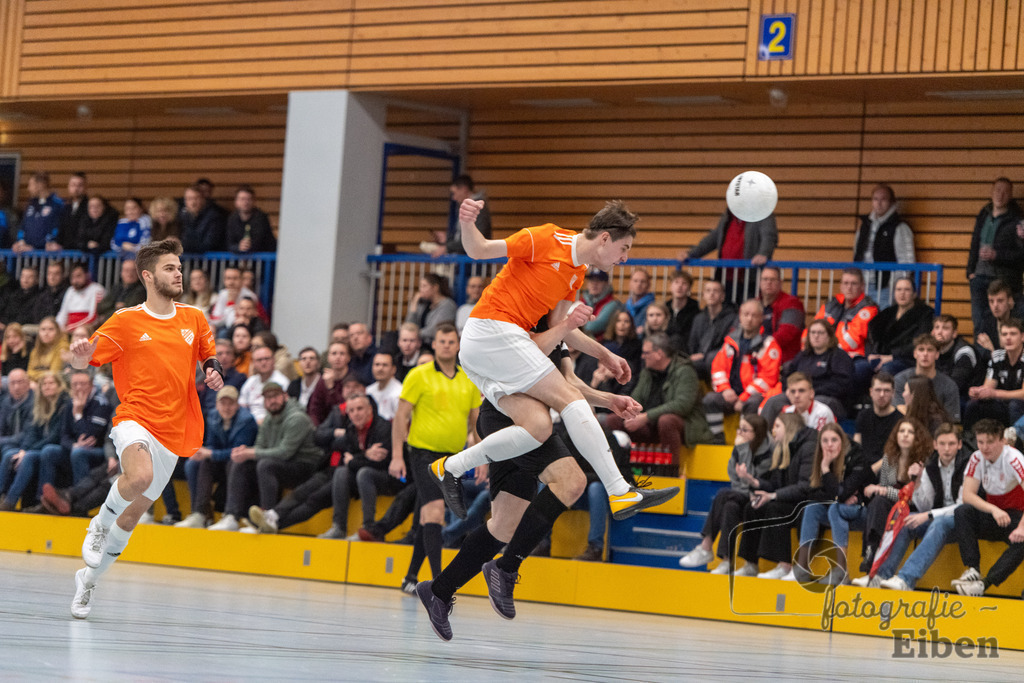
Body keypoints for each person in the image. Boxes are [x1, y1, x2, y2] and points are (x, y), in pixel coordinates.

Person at [431, 198, 678, 520]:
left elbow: (560, 329)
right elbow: (478, 249)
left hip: (493, 349)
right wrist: (466, 222)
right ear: (605, 238)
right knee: (571, 399)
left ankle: (450, 467)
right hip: (493, 330)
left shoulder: (577, 273)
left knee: (537, 427)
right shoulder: (547, 238)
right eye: (624, 248)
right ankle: (619, 491)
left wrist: (606, 355)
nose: (625, 258)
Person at [415, 321, 642, 640]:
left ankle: (438, 591)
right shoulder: (528, 324)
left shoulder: (558, 338)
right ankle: (506, 567)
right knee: (572, 482)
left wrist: (609, 400)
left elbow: (570, 384)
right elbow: (543, 350)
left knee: (503, 526)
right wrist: (584, 337)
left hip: (522, 425)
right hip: (515, 421)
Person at [67, 237, 223, 619]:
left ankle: (88, 581)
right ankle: (98, 524)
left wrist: (213, 370)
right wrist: (81, 358)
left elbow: (208, 351)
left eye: (180, 268)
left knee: (133, 516)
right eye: (171, 268)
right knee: (138, 476)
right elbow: (84, 360)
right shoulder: (125, 320)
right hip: (135, 417)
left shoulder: (194, 318)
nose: (178, 274)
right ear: (148, 276)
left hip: (174, 428)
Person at [389, 324, 481, 589]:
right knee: (435, 511)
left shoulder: (469, 379)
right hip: (423, 453)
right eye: (442, 341)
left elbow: (475, 424)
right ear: (435, 344)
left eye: (452, 341)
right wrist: (397, 455)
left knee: (426, 513)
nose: (447, 346)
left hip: (453, 457)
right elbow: (400, 417)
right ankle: (440, 582)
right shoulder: (419, 375)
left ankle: (410, 577)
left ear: (458, 345)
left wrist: (483, 458)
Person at [250, 393, 395, 540]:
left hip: (366, 479)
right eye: (351, 411)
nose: (356, 414)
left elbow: (375, 462)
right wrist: (363, 455)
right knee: (304, 489)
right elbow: (324, 440)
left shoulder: (382, 428)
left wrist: (356, 459)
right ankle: (273, 516)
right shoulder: (351, 429)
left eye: (360, 409)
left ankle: (270, 526)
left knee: (316, 498)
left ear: (370, 409)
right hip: (339, 473)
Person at [859, 424, 970, 590]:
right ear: (935, 444)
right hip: (937, 518)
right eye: (942, 444)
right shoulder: (930, 465)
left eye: (951, 444)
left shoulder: (967, 464)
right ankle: (881, 575)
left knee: (939, 522)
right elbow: (925, 504)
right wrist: (917, 482)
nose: (946, 449)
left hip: (962, 520)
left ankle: (906, 579)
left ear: (959, 445)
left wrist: (928, 515)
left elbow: (963, 504)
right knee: (907, 522)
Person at [208, 381, 321, 532]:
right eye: (268, 398)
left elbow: (285, 452)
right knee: (242, 463)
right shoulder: (269, 419)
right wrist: (246, 451)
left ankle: (266, 519)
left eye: (275, 396)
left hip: (305, 466)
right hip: (282, 464)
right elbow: (260, 446)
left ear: (285, 396)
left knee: (265, 465)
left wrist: (251, 452)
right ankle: (231, 516)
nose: (272, 401)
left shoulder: (297, 418)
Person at [679, 414, 771, 572]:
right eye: (739, 429)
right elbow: (735, 479)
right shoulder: (742, 448)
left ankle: (706, 547)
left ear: (756, 434)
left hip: (764, 497)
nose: (739, 433)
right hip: (742, 496)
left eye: (744, 430)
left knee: (723, 494)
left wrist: (742, 450)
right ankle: (727, 562)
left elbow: (756, 482)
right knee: (730, 506)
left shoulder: (768, 452)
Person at [604, 332, 713, 460]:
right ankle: (623, 468)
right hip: (651, 424)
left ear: (659, 354)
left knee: (666, 421)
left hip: (686, 426)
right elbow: (636, 398)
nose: (643, 356)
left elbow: (682, 405)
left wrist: (647, 417)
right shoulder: (646, 372)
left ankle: (671, 472)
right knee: (613, 419)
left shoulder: (685, 371)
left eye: (646, 353)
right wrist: (630, 413)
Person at [733, 413, 816, 579]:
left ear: (789, 428)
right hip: (787, 499)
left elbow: (804, 487)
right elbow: (775, 485)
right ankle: (750, 564)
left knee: (774, 507)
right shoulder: (781, 449)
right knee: (754, 506)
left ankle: (784, 564)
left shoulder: (808, 448)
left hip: (806, 503)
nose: (773, 430)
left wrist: (773, 495)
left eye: (777, 426)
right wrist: (753, 481)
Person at [949, 419, 1024, 597]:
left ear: (1002, 440)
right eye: (980, 442)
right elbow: (967, 495)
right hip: (996, 515)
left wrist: (1022, 527)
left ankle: (985, 584)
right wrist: (993, 509)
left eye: (990, 442)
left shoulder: (1014, 459)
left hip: (1017, 517)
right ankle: (973, 569)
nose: (984, 447)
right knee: (962, 512)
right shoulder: (976, 458)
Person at [175, 385, 258, 528]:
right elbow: (212, 444)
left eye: (231, 404)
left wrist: (211, 453)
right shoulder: (213, 416)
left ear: (237, 405)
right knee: (201, 461)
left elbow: (238, 453)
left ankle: (231, 516)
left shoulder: (247, 420)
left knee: (234, 462)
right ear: (217, 404)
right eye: (223, 403)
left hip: (244, 464)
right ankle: (200, 513)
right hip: (223, 462)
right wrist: (202, 452)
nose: (226, 408)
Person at [703, 299, 781, 442]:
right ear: (740, 316)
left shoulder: (768, 343)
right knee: (709, 399)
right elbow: (718, 369)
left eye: (754, 315)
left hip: (753, 395)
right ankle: (717, 438)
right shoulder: (730, 341)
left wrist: (744, 397)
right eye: (746, 314)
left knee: (753, 403)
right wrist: (725, 389)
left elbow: (768, 378)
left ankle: (745, 439)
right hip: (731, 394)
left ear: (761, 319)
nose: (749, 319)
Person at [793, 423, 862, 584]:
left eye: (834, 440)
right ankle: (801, 567)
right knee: (812, 508)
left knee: (834, 508)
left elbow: (841, 493)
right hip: (837, 508)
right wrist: (825, 467)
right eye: (825, 441)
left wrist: (838, 494)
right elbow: (814, 493)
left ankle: (841, 571)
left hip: (859, 510)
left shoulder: (855, 456)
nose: (829, 445)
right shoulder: (821, 460)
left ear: (843, 441)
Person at [760, 319, 852, 423]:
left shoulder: (839, 356)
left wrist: (811, 392)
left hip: (826, 397)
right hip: (799, 394)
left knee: (817, 404)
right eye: (813, 332)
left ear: (829, 336)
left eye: (820, 333)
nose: (816, 336)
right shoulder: (803, 355)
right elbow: (788, 375)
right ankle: (763, 437)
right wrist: (790, 390)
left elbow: (842, 385)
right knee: (773, 402)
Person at [0, 372, 68, 510]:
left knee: (30, 457)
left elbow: (54, 437)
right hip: (40, 448)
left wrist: (27, 452)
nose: (47, 387)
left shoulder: (65, 405)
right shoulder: (40, 405)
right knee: (10, 455)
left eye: (51, 383)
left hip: (59, 448)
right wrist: (23, 450)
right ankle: (2, 494)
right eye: (44, 384)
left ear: (59, 385)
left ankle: (12, 501)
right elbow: (32, 433)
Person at [682, 205, 777, 304]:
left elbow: (769, 236)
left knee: (748, 310)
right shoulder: (728, 216)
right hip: (725, 278)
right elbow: (713, 238)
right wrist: (691, 254)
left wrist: (763, 253)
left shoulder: (762, 214)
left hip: (749, 278)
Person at [966, 178, 1023, 338]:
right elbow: (974, 243)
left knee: (1003, 324)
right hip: (979, 277)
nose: (1001, 194)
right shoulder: (983, 214)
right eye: (998, 190)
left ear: (1010, 195)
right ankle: (981, 358)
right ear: (991, 192)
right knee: (979, 322)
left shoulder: (1018, 220)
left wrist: (997, 255)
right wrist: (970, 271)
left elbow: (1021, 255)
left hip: (1002, 279)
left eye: (1005, 192)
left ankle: (1000, 358)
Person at [810, 267, 878, 391]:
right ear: (841, 285)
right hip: (826, 354)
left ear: (862, 286)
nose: (849, 287)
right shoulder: (831, 305)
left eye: (854, 283)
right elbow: (812, 330)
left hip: (854, 358)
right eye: (846, 283)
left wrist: (825, 349)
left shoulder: (868, 309)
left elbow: (852, 341)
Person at [853, 183, 916, 306]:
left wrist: (896, 286)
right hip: (863, 284)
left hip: (885, 286)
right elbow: (857, 252)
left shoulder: (899, 227)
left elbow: (907, 261)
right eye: (875, 199)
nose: (879, 203)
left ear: (892, 202)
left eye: (883, 199)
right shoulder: (865, 225)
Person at [53, 369, 112, 486]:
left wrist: (78, 414)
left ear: (91, 384)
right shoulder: (70, 403)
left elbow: (89, 437)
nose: (79, 388)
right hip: (76, 447)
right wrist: (73, 445)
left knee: (79, 453)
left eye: (83, 384)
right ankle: (44, 499)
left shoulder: (101, 403)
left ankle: (79, 500)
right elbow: (63, 435)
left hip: (100, 450)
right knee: (49, 451)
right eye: (75, 384)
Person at [964, 318, 1024, 430]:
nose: (1008, 338)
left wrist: (995, 393)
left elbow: (1023, 394)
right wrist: (979, 392)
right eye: (1004, 334)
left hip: (1019, 405)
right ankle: (969, 443)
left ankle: (1016, 444)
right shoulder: (997, 356)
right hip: (1003, 402)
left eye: (1013, 334)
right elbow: (988, 388)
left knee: (1014, 405)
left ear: (1022, 337)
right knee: (974, 404)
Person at [866, 277, 934, 375]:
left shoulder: (925, 314)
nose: (902, 293)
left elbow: (919, 342)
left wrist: (893, 356)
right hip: (883, 356)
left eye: (907, 290)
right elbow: (876, 337)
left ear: (914, 294)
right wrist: (874, 353)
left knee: (886, 370)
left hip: (908, 359)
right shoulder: (888, 313)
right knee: (860, 368)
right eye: (899, 289)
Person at [892, 334, 961, 423]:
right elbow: (898, 411)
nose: (925, 354)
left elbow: (952, 420)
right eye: (921, 349)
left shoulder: (949, 385)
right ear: (915, 354)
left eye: (930, 350)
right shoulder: (900, 380)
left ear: (937, 354)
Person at [429, 174, 491, 257]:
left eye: (454, 193)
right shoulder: (466, 208)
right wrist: (447, 239)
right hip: (467, 259)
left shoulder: (478, 208)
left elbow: (474, 239)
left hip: (473, 262)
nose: (454, 198)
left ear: (464, 189)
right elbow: (463, 236)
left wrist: (447, 247)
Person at [688, 279, 737, 382]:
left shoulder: (732, 318)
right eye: (708, 291)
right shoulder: (699, 318)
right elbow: (692, 344)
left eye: (715, 291)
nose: (711, 294)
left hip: (721, 359)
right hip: (700, 359)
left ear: (722, 296)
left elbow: (729, 344)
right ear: (704, 295)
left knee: (711, 358)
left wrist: (704, 355)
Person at [931, 313, 982, 404]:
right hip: (944, 393)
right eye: (937, 327)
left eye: (945, 328)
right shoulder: (931, 350)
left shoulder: (964, 352)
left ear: (954, 333)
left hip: (966, 397)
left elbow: (955, 386)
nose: (939, 332)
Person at [758, 266, 804, 363]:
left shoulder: (792, 304)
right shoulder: (754, 304)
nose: (768, 282)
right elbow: (739, 329)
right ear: (760, 282)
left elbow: (785, 335)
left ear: (780, 283)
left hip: (784, 360)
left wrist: (755, 344)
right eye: (765, 279)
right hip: (758, 356)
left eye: (772, 279)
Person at [853, 372, 902, 463]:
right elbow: (857, 446)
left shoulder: (900, 420)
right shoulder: (863, 415)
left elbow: (896, 454)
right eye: (878, 390)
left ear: (893, 393)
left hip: (889, 468)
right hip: (864, 466)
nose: (882, 395)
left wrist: (872, 470)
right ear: (871, 392)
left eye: (886, 390)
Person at [237, 345, 290, 424]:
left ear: (273, 360)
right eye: (259, 360)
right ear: (254, 363)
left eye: (267, 359)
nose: (263, 362)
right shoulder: (250, 381)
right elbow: (242, 408)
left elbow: (284, 412)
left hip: (272, 424)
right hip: (249, 424)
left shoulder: (283, 382)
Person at [14, 171, 63, 252]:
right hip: (26, 254)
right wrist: (20, 242)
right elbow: (22, 226)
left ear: (40, 184)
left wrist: (37, 247)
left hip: (46, 254)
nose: (28, 189)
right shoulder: (29, 205)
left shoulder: (57, 205)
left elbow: (57, 229)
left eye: (30, 185)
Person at [306, 341, 351, 426]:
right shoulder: (322, 380)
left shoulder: (352, 380)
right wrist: (316, 429)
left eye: (342, 354)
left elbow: (343, 410)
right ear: (328, 358)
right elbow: (314, 409)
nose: (338, 357)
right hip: (324, 428)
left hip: (345, 426)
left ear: (348, 358)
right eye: (334, 354)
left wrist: (331, 389)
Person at [405, 274, 457, 344]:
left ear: (435, 288)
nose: (421, 290)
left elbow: (434, 330)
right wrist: (414, 303)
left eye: (424, 286)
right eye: (420, 286)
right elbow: (409, 325)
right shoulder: (424, 304)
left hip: (434, 344)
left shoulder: (448, 305)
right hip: (419, 343)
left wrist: (412, 334)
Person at [55, 263, 106, 333]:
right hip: (68, 332)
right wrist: (57, 327)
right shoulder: (70, 290)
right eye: (72, 277)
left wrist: (70, 328)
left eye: (78, 276)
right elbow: (63, 313)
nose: (75, 281)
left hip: (87, 332)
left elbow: (94, 317)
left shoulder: (97, 289)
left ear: (87, 275)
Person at [226, 185, 276, 253]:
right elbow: (229, 242)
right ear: (236, 202)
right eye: (242, 199)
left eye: (249, 199)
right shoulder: (232, 218)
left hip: (263, 258)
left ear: (254, 201)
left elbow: (260, 241)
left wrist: (247, 246)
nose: (246, 202)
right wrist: (238, 247)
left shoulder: (261, 218)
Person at [179, 184, 226, 253]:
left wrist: (182, 245)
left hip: (209, 261)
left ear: (203, 199)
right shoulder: (181, 217)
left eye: (196, 198)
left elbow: (209, 244)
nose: (193, 203)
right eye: (189, 199)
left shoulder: (214, 218)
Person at [98, 258, 147, 324]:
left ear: (139, 273)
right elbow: (100, 307)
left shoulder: (141, 290)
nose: (130, 274)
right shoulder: (116, 287)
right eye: (126, 271)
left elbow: (129, 310)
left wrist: (106, 315)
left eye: (133, 271)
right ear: (121, 272)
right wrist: (116, 305)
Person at [209, 267, 257, 333]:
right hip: (223, 328)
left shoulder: (250, 296)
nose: (231, 282)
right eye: (228, 278)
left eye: (235, 278)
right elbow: (215, 319)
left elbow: (230, 323)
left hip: (245, 330)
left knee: (224, 333)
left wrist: (230, 303)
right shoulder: (223, 294)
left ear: (241, 280)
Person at [663, 270, 700, 354]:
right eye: (676, 282)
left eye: (684, 283)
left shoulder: (695, 310)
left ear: (689, 288)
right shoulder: (665, 308)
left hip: (686, 350)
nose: (679, 286)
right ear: (670, 286)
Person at [579, 269, 622, 342]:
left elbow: (593, 326)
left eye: (599, 281)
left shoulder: (612, 303)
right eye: (591, 280)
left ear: (606, 284)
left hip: (602, 343)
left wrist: (577, 324)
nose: (594, 284)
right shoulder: (583, 300)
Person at [975, 279, 1017, 353]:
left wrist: (993, 352)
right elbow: (979, 350)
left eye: (1000, 301)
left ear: (1010, 301)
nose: (995, 306)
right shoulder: (986, 320)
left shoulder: (1020, 321)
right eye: (991, 301)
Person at [27, 317, 68, 384]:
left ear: (58, 332)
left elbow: (54, 373)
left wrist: (35, 376)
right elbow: (29, 373)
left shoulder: (62, 348)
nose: (46, 333)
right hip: (36, 385)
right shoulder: (35, 350)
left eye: (51, 329)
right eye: (43, 329)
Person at [0, 369, 33, 451]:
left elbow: (27, 433)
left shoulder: (35, 403)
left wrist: (2, 441)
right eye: (12, 383)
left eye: (20, 382)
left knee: (7, 452)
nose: (16, 387)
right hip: (7, 442)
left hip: (27, 444)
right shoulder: (6, 402)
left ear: (28, 384)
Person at [57, 172, 89, 249]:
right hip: (65, 252)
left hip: (82, 251)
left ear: (86, 187)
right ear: (68, 187)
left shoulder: (89, 207)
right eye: (73, 185)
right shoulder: (65, 207)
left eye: (80, 185)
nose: (76, 189)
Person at [366, 352, 402, 420]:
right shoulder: (368, 391)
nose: (380, 369)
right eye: (377, 365)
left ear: (393, 369)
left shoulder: (399, 393)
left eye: (385, 365)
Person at [623, 268, 654, 334]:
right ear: (630, 284)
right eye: (635, 281)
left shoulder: (653, 307)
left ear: (648, 285)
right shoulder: (625, 306)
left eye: (643, 281)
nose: (639, 284)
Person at [346, 322, 377, 387]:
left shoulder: (378, 357)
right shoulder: (350, 360)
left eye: (359, 333)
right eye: (351, 335)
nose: (355, 338)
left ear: (369, 337)